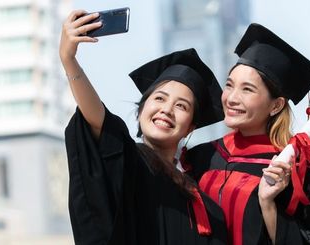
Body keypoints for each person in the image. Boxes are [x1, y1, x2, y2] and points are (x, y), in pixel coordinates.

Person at [60, 10, 227, 245]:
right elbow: (99, 120)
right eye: (159, 98)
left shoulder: (206, 205)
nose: (167, 109)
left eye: (181, 105)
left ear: (190, 127)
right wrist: (69, 60)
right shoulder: (131, 162)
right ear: (141, 110)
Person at [185, 23, 310, 244]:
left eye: (247, 89)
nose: (232, 98)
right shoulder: (200, 157)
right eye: (229, 85)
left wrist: (268, 204)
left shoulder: (293, 172)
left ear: (276, 106)